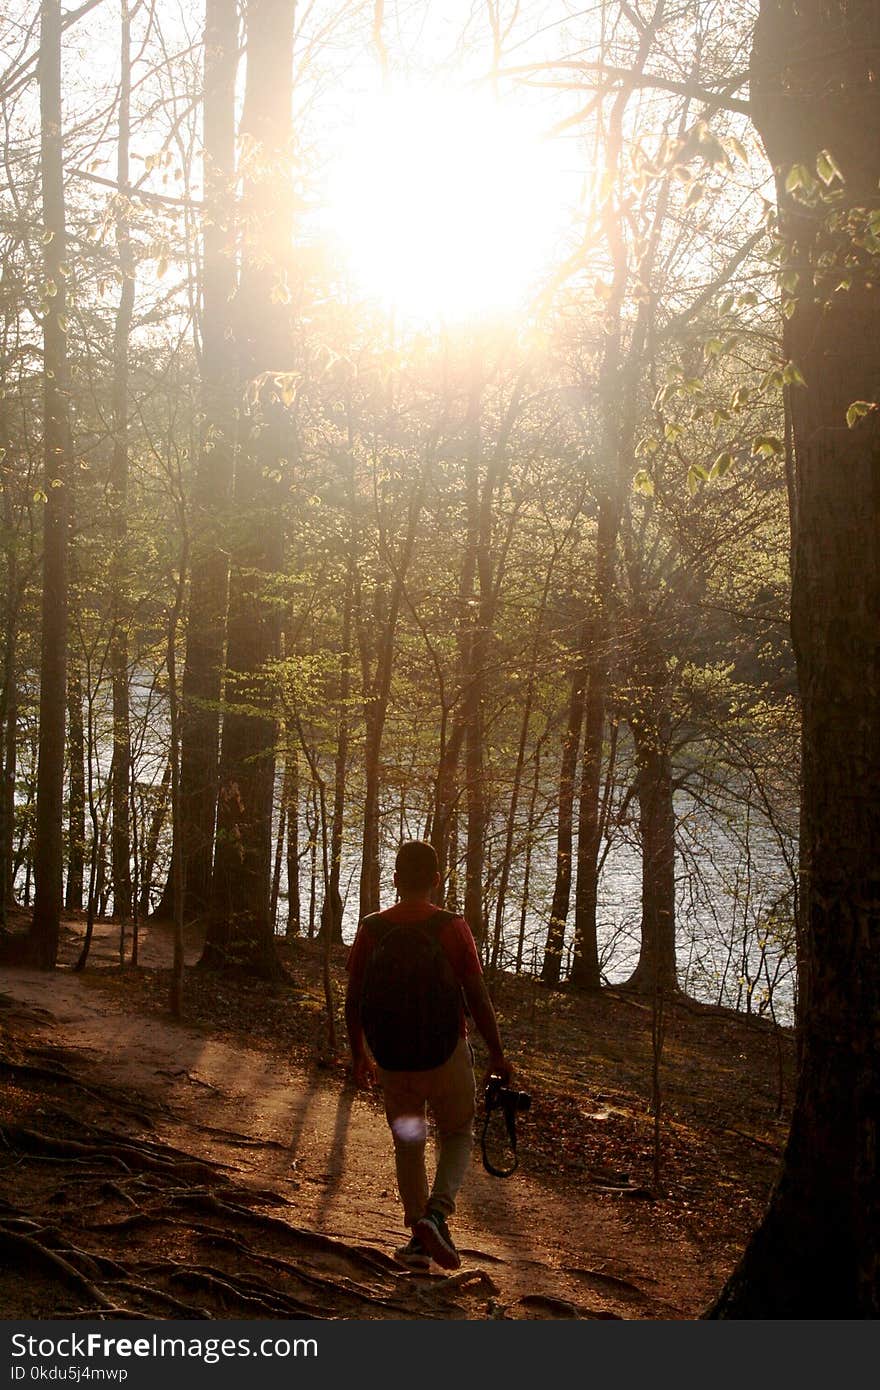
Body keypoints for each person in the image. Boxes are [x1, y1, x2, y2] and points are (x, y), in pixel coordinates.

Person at [345, 839, 512, 1272]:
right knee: (457, 1133)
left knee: (409, 1143)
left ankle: (419, 1238)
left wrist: (358, 1054)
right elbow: (476, 996)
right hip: (445, 1056)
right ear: (436, 880)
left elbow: (355, 997)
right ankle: (436, 1215)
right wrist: (497, 1053)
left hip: (393, 1060)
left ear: (396, 880)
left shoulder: (372, 928)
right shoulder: (452, 927)